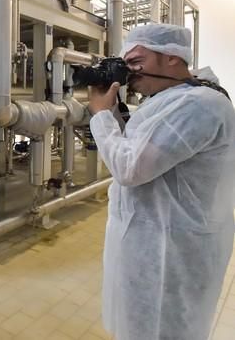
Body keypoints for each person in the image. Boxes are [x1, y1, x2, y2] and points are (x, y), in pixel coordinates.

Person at [87, 24, 235, 340]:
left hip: (173, 253)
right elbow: (136, 150)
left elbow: (129, 168)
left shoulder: (199, 104)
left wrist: (100, 115)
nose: (130, 71)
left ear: (172, 58)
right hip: (153, 245)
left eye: (137, 61)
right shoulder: (167, 99)